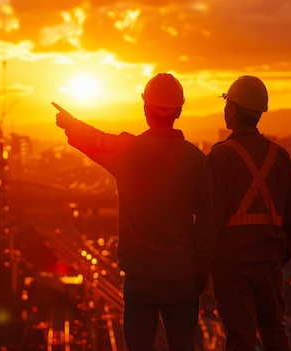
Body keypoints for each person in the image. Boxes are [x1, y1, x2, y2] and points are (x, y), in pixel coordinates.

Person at [53, 73, 216, 351]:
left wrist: (71, 125)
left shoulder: (128, 151)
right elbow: (208, 223)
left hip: (140, 275)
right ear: (179, 110)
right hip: (182, 277)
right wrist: (202, 271)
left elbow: (97, 141)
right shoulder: (196, 160)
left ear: (145, 109)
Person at [207, 75, 291, 350]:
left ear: (233, 110)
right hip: (270, 261)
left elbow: (212, 219)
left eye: (227, 106)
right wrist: (280, 255)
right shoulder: (280, 156)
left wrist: (206, 262)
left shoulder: (220, 158)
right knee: (275, 334)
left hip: (232, 265)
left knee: (241, 337)